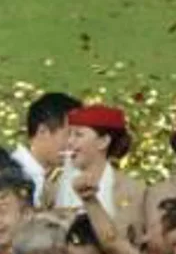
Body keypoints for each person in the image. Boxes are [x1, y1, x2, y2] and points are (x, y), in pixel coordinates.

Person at [40, 104, 145, 246]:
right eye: (69, 134)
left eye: (78, 135)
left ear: (103, 142)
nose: (69, 142)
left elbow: (130, 238)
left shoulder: (132, 190)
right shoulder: (53, 185)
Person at [12, 92, 82, 203]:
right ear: (42, 131)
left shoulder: (60, 176)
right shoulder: (12, 178)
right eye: (69, 134)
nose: (75, 143)